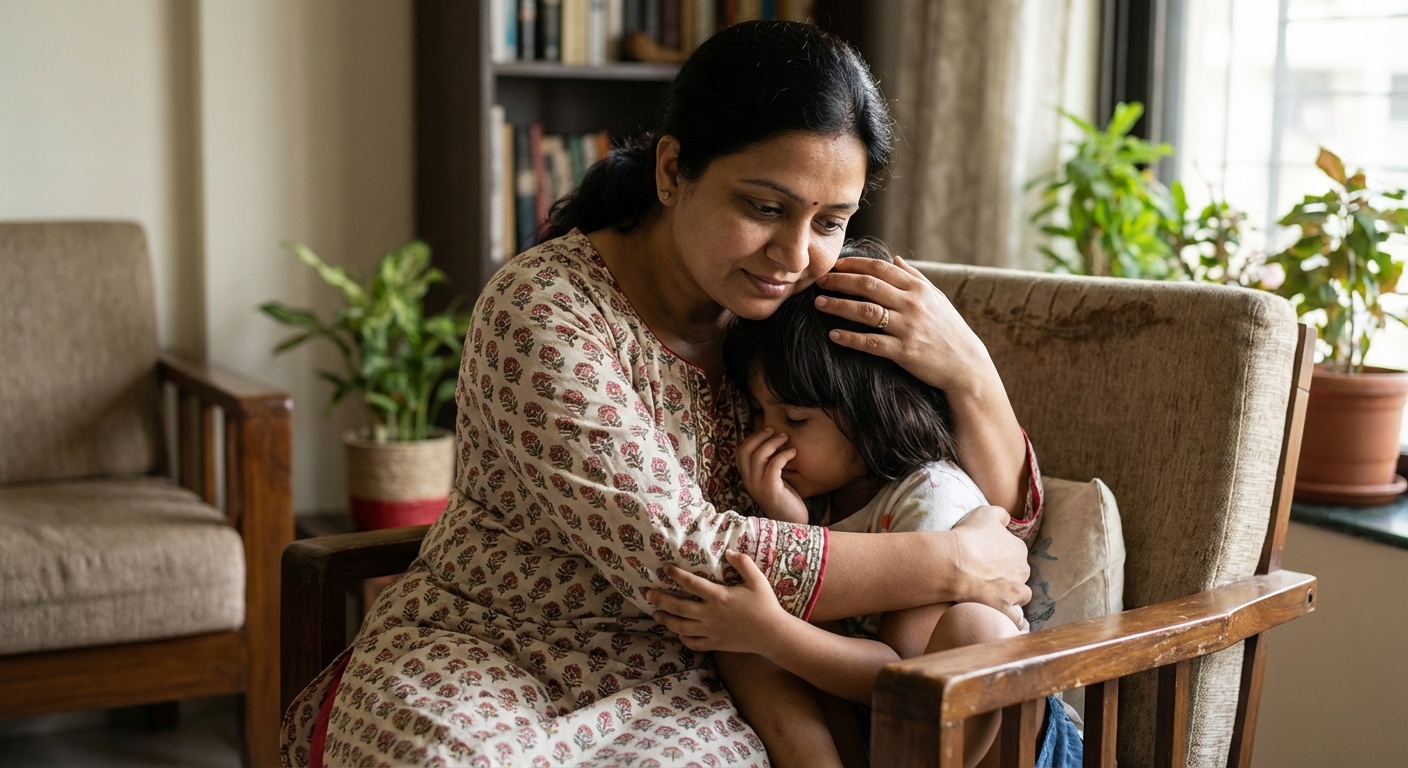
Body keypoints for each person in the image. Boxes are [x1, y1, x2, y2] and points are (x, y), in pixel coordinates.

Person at [282, 20, 1042, 767]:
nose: (796, 253)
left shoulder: (807, 317)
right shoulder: (544, 309)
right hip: (487, 647)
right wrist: (954, 561)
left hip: (695, 674)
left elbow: (997, 523)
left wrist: (970, 371)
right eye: (766, 207)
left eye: (831, 221)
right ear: (673, 171)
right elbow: (681, 558)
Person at [645, 240, 1082, 768]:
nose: (769, 438)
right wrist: (790, 525)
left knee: (976, 630)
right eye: (761, 415)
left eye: (796, 420)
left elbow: (903, 675)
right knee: (742, 643)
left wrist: (775, 631)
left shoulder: (931, 498)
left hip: (979, 737)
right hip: (881, 727)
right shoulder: (826, 494)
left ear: (877, 411)